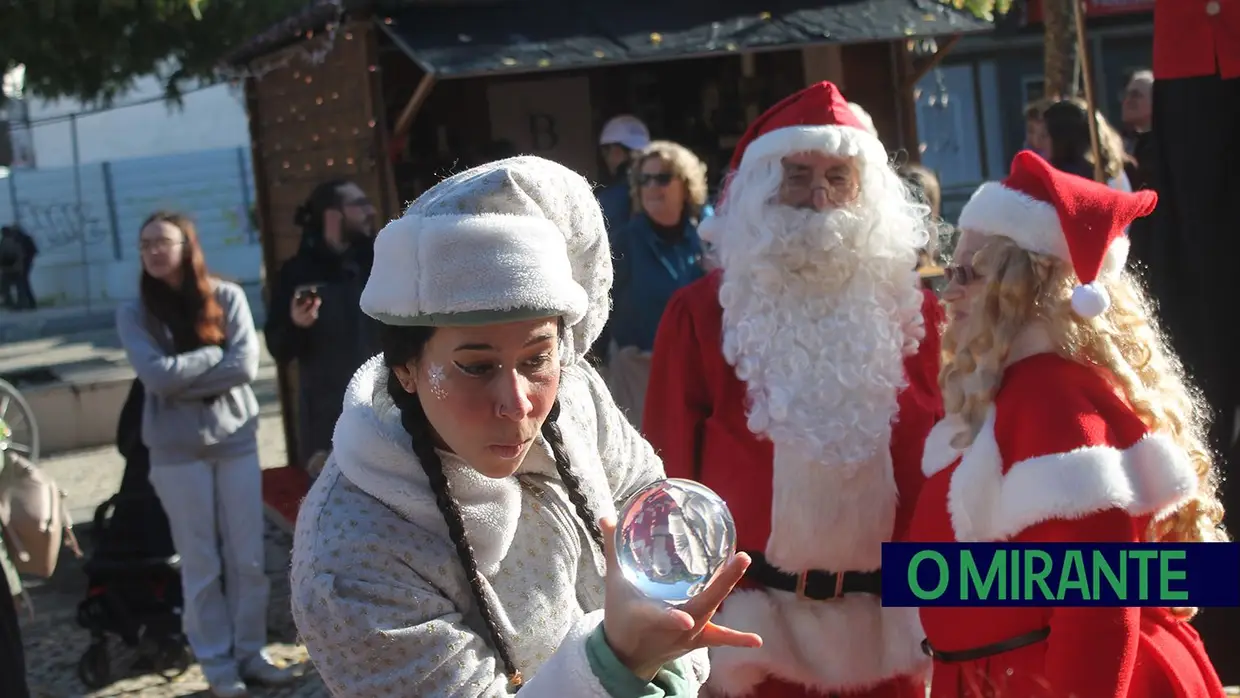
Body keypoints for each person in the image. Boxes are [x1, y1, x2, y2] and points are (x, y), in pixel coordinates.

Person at [289, 156, 761, 697]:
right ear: (406, 368)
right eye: (476, 366)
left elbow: (646, 505)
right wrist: (621, 665)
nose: (517, 403)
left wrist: (662, 656)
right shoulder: (355, 553)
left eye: (538, 359)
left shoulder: (574, 395)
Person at [643, 81, 944, 698]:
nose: (819, 197)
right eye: (798, 174)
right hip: (754, 645)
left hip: (900, 638)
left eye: (840, 176)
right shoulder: (700, 315)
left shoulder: (924, 318)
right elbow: (666, 485)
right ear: (757, 190)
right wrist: (671, 629)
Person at [913, 150, 1228, 698]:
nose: (950, 290)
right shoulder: (1012, 396)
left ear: (1024, 285)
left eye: (968, 272)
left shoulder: (1057, 406)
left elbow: (1098, 613)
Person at [116, 212, 293, 698]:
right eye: (144, 242)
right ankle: (217, 665)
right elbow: (156, 377)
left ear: (186, 247)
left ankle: (251, 654)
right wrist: (208, 357)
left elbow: (244, 367)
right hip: (175, 452)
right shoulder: (135, 312)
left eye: (162, 242)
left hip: (234, 440)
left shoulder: (227, 297)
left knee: (248, 559)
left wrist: (184, 374)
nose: (152, 251)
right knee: (201, 563)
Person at [264, 180, 380, 468]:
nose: (371, 211)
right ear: (333, 214)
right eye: (359, 204)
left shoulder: (380, 261)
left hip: (384, 409)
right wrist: (295, 324)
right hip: (327, 418)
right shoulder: (297, 272)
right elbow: (279, 348)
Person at [606, 140, 710, 429]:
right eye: (644, 179)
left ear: (686, 185)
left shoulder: (707, 238)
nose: (652, 186)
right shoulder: (623, 243)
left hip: (699, 372)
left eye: (662, 178)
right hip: (640, 374)